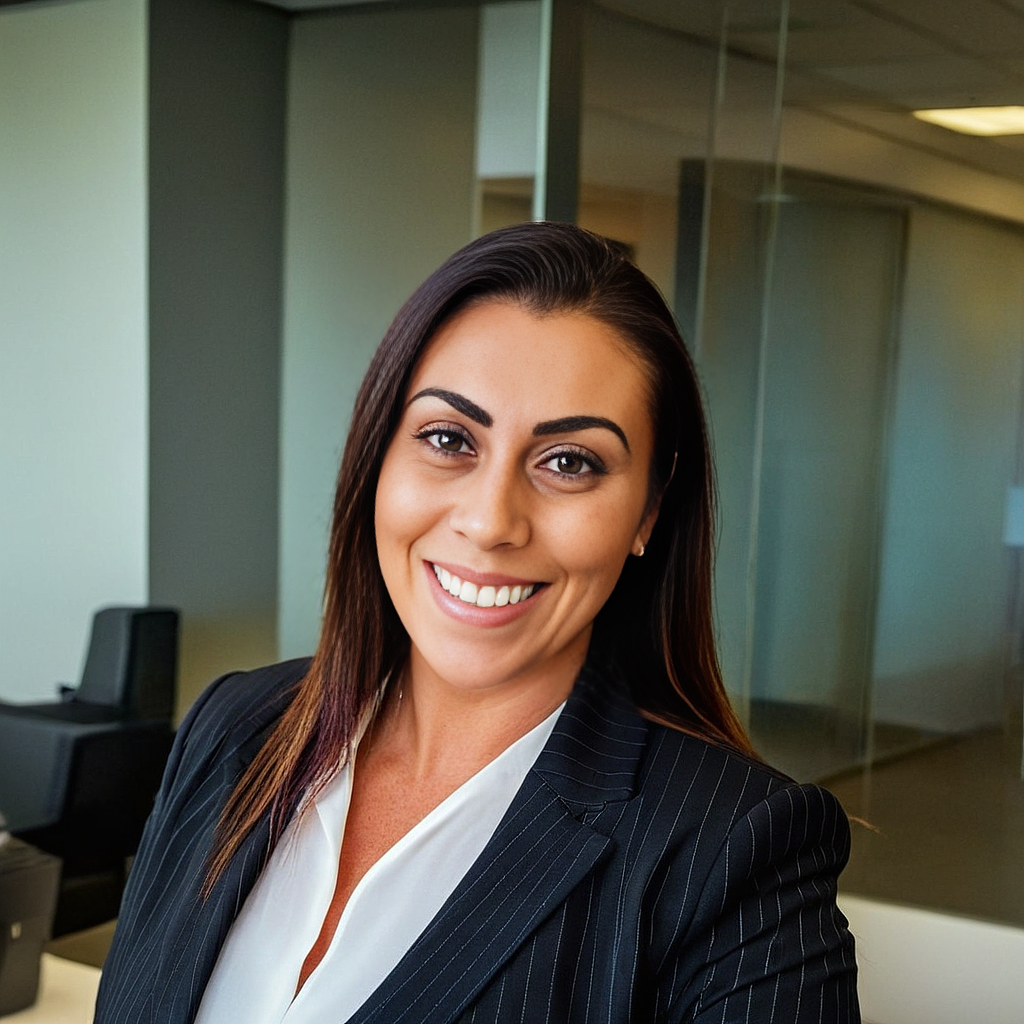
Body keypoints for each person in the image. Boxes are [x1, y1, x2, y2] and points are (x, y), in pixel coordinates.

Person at [95, 222, 858, 1023]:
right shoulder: (233, 728)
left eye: (569, 462)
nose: (492, 521)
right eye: (447, 438)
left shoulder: (737, 851)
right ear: (377, 459)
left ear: (649, 511)